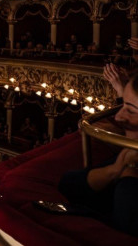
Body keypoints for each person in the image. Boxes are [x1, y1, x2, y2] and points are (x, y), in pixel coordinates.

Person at [56, 61, 138, 236]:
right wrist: (115, 169)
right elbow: (67, 184)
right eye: (121, 104)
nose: (117, 116)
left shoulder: (130, 191)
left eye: (130, 110)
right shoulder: (129, 155)